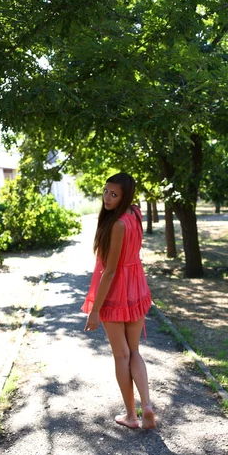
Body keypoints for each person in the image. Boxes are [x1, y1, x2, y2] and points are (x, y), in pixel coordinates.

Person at [82, 172, 156, 430]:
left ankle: (132, 416)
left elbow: (110, 271)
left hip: (117, 292)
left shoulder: (117, 225)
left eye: (114, 195)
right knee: (134, 351)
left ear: (125, 197)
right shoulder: (135, 213)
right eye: (105, 191)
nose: (107, 198)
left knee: (121, 355)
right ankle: (147, 404)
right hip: (136, 288)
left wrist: (95, 311)